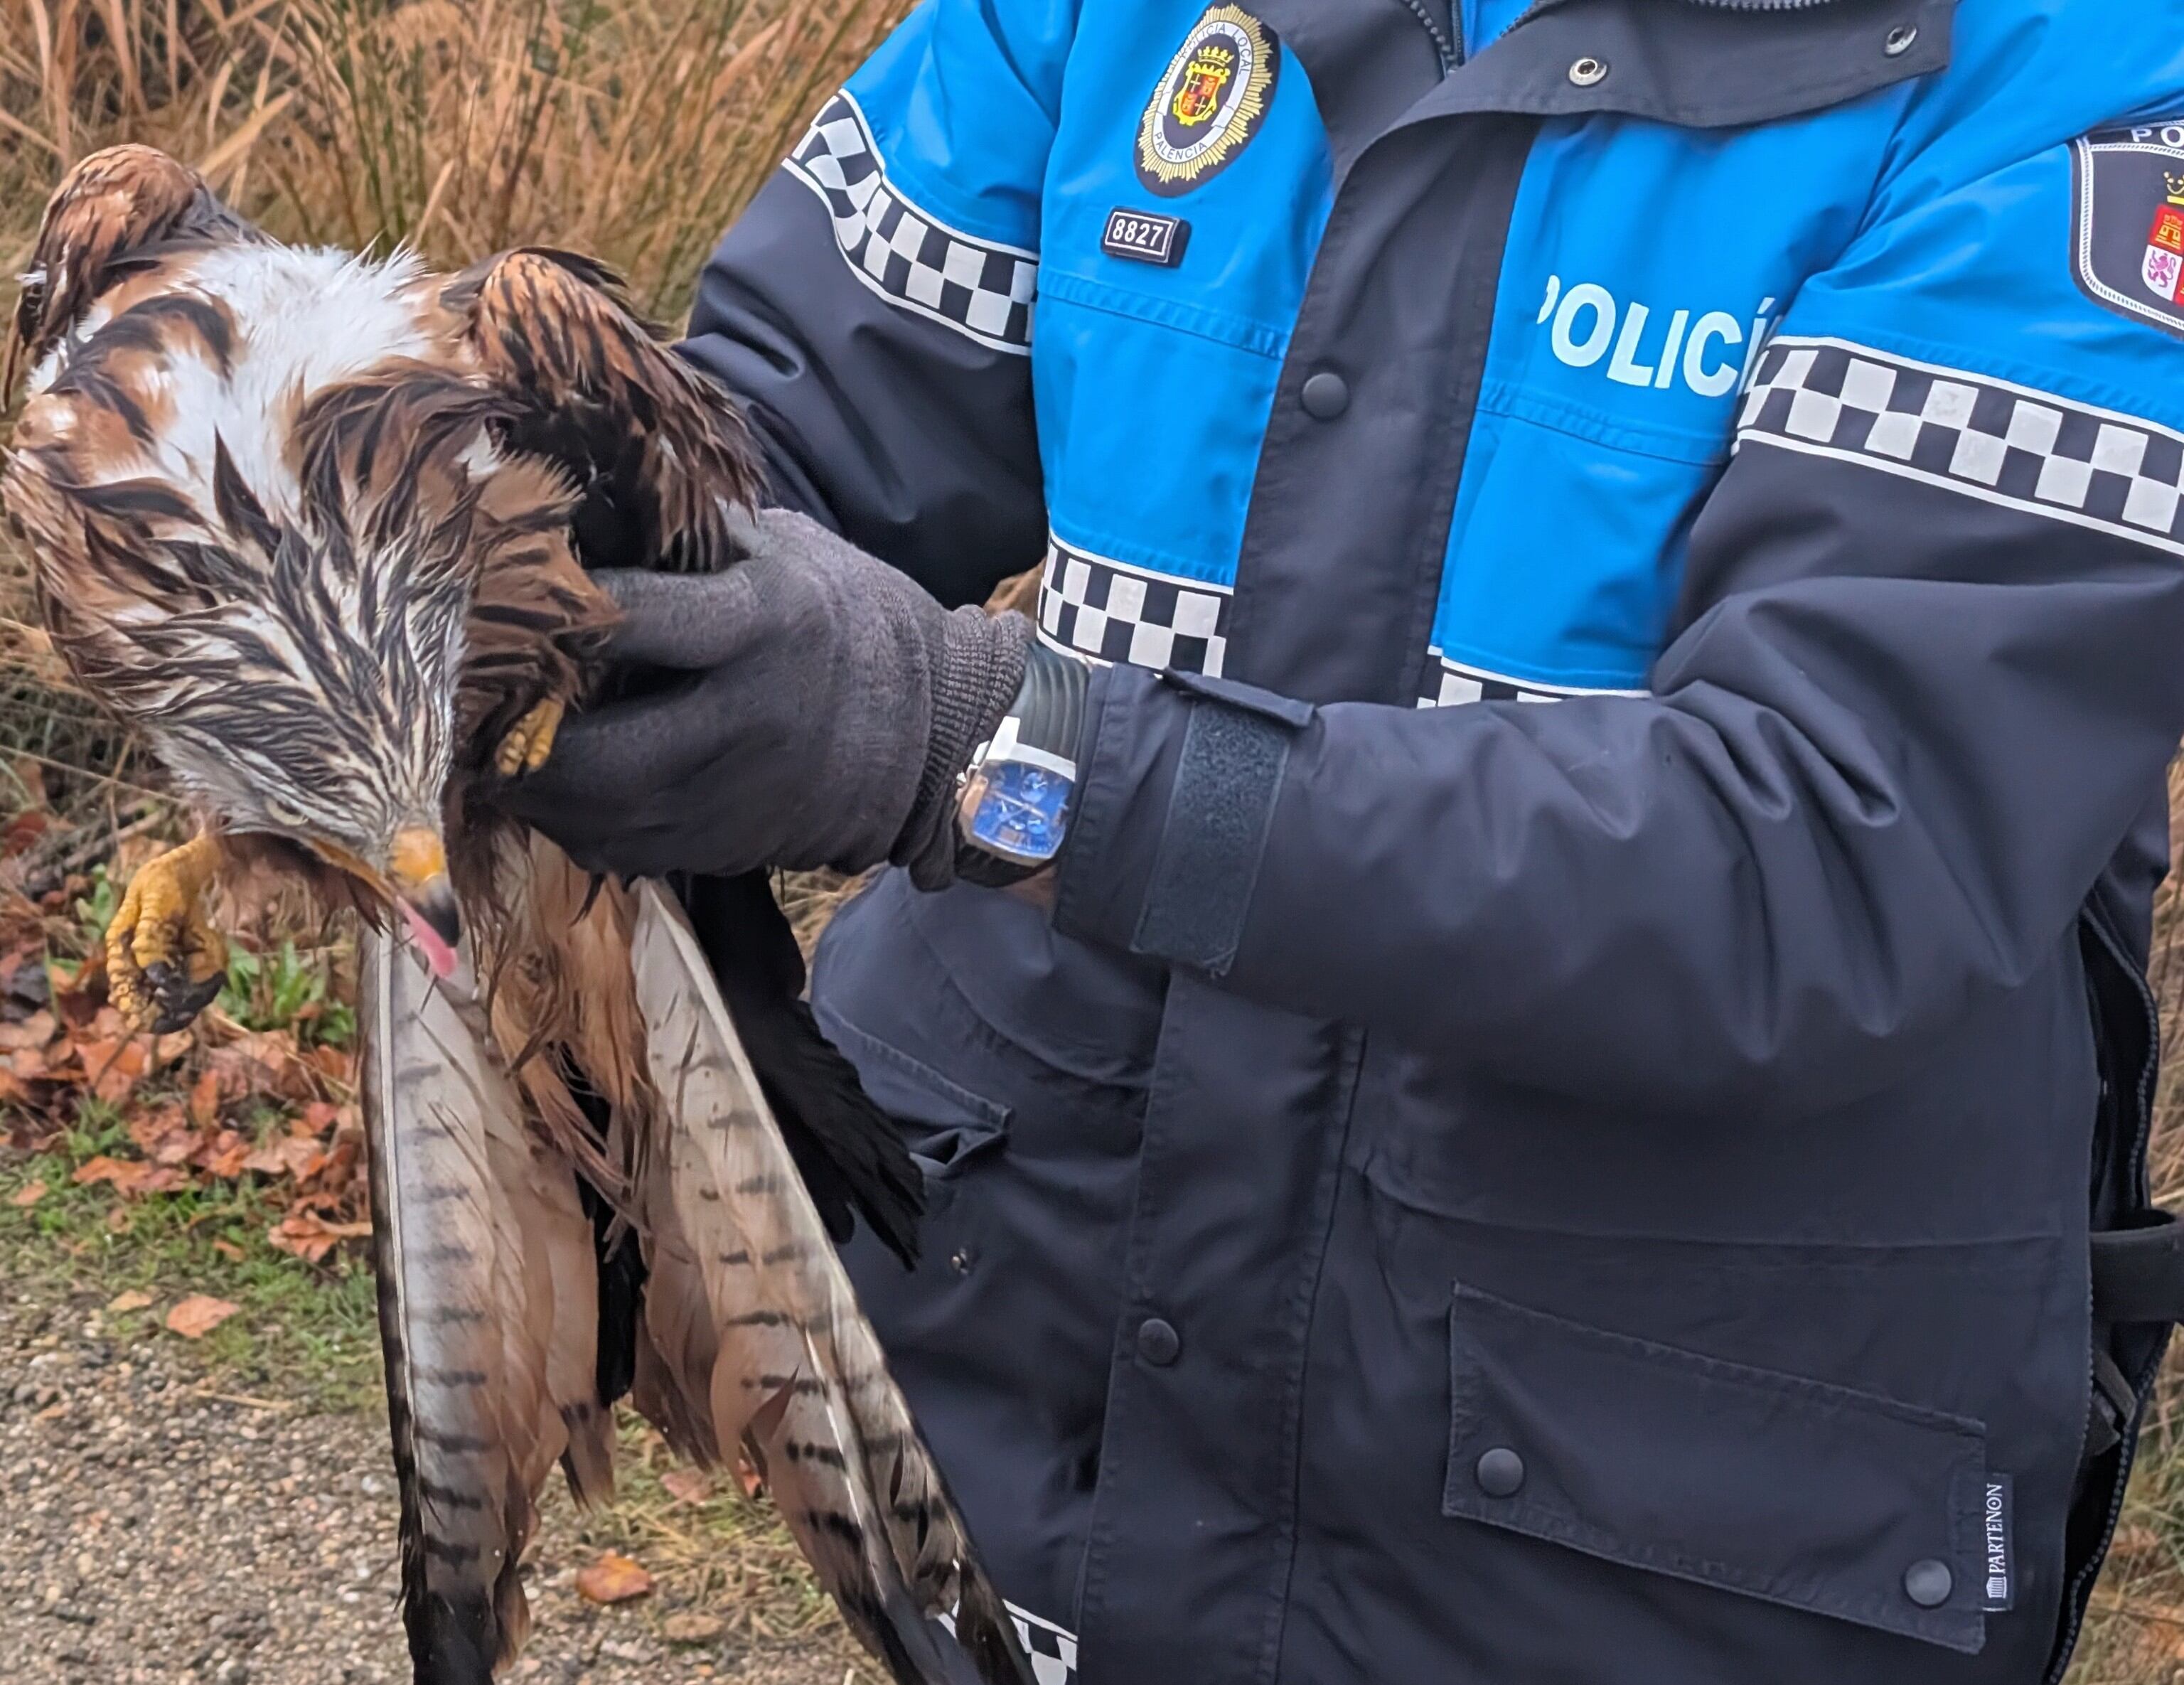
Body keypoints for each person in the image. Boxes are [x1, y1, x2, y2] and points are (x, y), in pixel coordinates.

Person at [497, 1, 2184, 1679]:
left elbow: (1814, 859)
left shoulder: (2093, 72)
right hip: (1038, 1413)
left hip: (1647, 1530)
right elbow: (767, 430)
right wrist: (469, 527)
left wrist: (973, 755)